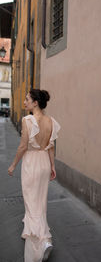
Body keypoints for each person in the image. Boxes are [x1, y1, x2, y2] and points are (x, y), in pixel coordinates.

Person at [8, 89, 60, 262]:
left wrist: (14, 164)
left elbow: (23, 147)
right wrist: (52, 165)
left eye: (27, 99)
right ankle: (43, 238)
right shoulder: (50, 121)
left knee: (31, 204)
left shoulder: (27, 120)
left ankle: (39, 246)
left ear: (35, 102)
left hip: (31, 163)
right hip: (44, 162)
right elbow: (50, 146)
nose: (24, 102)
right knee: (40, 202)